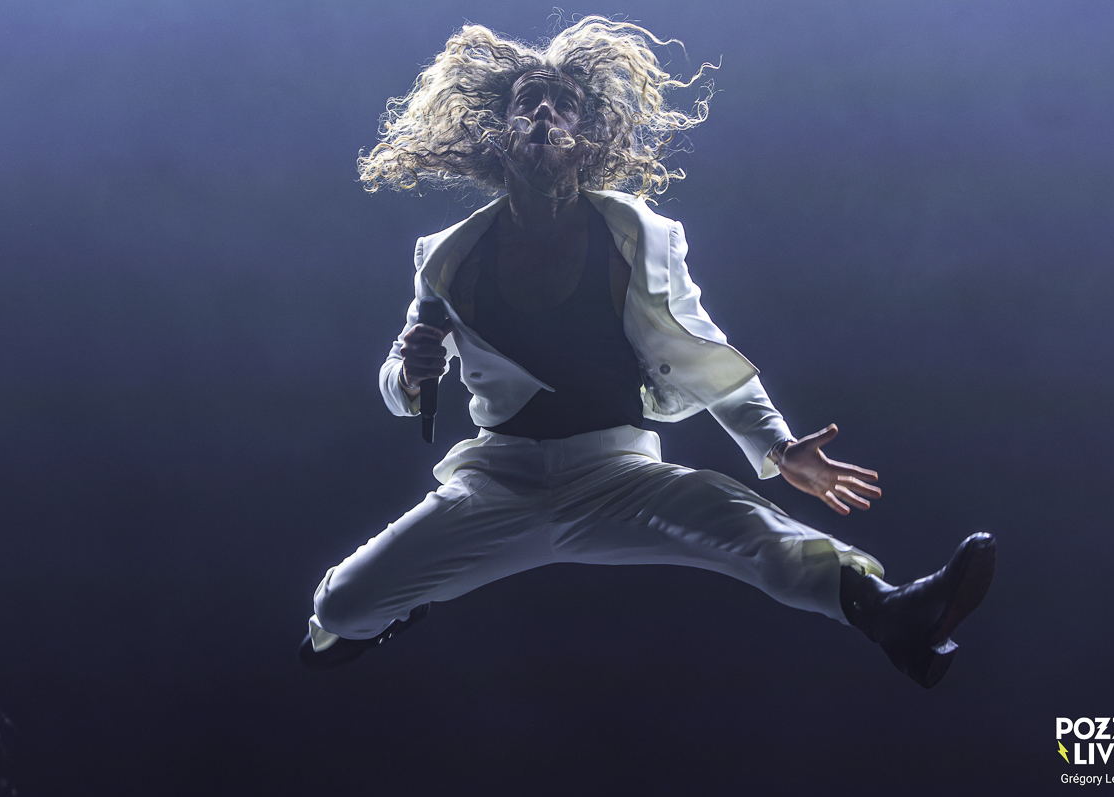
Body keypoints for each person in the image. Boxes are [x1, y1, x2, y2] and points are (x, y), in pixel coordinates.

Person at [300, 17, 996, 688]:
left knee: (745, 526)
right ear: (498, 131)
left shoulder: (640, 238)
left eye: (563, 104)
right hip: (496, 481)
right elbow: (400, 381)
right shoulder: (447, 259)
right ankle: (388, 609)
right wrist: (408, 374)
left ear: (587, 136)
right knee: (339, 609)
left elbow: (703, 349)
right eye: (527, 101)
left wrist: (780, 448)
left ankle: (890, 614)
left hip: (615, 475)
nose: (543, 113)